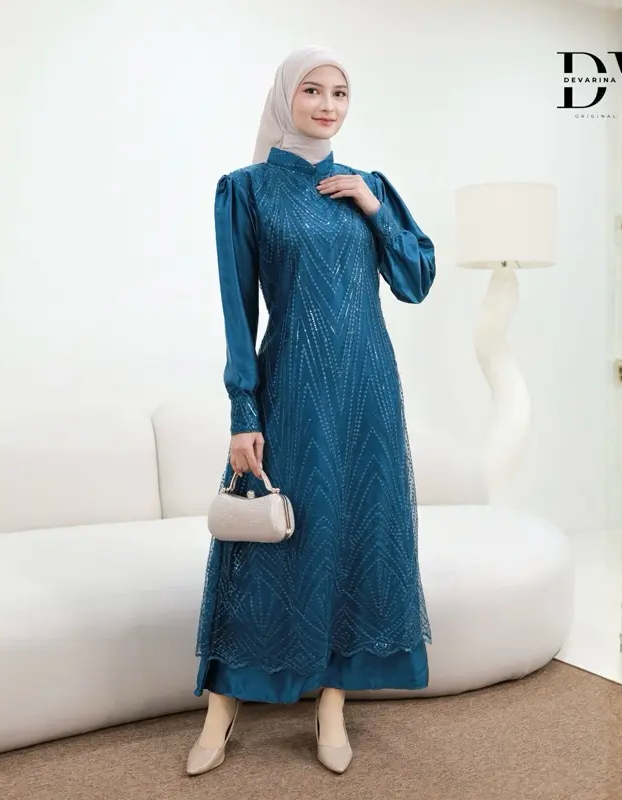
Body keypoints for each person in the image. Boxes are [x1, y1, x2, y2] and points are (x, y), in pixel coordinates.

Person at [187, 45, 436, 777]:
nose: (327, 105)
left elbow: (416, 279)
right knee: (269, 543)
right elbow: (238, 311)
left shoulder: (369, 185)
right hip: (291, 387)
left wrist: (373, 208)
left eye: (340, 93)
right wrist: (243, 409)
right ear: (284, 98)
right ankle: (222, 708)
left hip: (369, 390)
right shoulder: (246, 191)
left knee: (355, 535)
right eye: (312, 91)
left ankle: (332, 704)